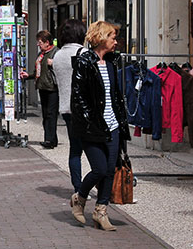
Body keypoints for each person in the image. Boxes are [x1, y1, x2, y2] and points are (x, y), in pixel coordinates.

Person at [69, 21, 130, 231]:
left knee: (110, 171)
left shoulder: (112, 62)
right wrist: (88, 121)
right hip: (92, 126)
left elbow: (115, 96)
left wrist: (120, 121)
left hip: (112, 125)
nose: (116, 41)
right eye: (112, 37)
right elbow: (78, 97)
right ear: (102, 38)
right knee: (100, 169)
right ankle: (79, 198)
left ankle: (101, 211)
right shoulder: (84, 61)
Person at [52, 18, 87, 196]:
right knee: (93, 149)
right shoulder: (83, 53)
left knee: (75, 149)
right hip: (84, 108)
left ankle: (78, 187)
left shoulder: (57, 56)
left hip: (66, 107)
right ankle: (96, 185)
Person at [35, 30, 59, 149]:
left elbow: (63, 67)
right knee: (45, 115)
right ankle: (51, 138)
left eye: (40, 42)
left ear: (47, 42)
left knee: (51, 114)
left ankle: (49, 140)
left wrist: (54, 63)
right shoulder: (41, 54)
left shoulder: (56, 52)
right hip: (42, 86)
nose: (38, 44)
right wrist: (28, 76)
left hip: (52, 88)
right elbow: (38, 72)